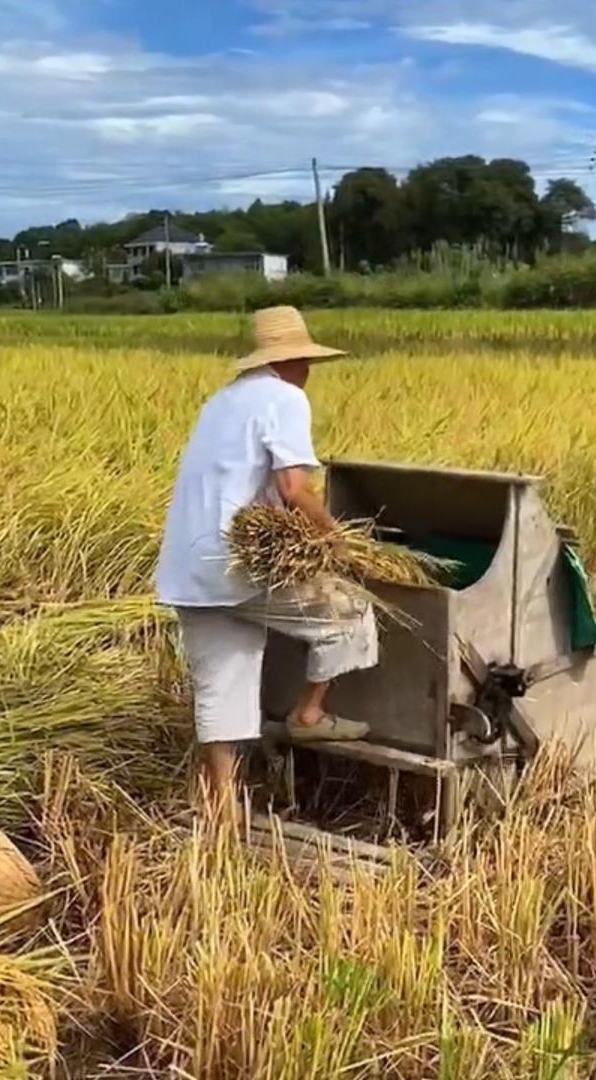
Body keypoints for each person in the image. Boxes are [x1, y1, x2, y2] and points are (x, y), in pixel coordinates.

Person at [155, 305, 376, 807]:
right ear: (292, 360)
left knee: (221, 688)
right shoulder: (285, 397)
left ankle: (222, 810)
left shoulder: (223, 401)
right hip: (232, 564)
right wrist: (335, 541)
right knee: (350, 613)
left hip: (187, 569)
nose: (309, 371)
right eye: (307, 361)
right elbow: (294, 487)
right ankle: (309, 716)